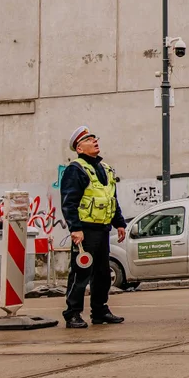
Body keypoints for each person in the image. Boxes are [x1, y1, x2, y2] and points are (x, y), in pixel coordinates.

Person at [61, 126, 127, 329]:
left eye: (94, 138)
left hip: (103, 230)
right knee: (81, 273)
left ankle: (100, 311)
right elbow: (69, 202)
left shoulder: (105, 168)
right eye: (89, 140)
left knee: (102, 274)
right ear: (79, 148)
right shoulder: (76, 169)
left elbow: (110, 198)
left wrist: (119, 223)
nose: (94, 141)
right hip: (86, 231)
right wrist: (75, 229)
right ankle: (72, 314)